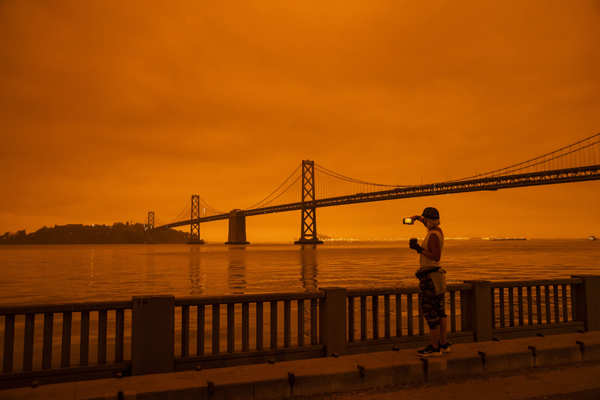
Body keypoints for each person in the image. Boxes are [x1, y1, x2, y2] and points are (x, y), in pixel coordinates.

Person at [408, 207, 450, 357]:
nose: (424, 222)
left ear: (430, 220)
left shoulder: (432, 236)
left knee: (430, 312)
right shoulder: (438, 231)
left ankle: (434, 347)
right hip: (437, 278)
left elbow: (435, 256)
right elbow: (427, 221)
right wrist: (417, 218)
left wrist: (418, 248)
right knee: (440, 312)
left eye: (426, 220)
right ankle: (443, 344)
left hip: (430, 278)